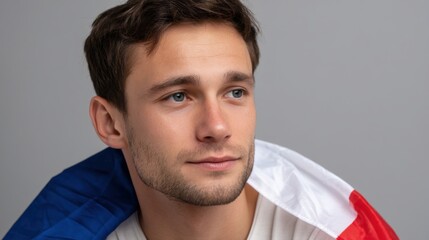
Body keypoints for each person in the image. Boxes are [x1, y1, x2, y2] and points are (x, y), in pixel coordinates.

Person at [5, 0, 398, 239]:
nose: (217, 127)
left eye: (235, 93)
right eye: (178, 96)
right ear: (110, 123)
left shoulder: (325, 233)